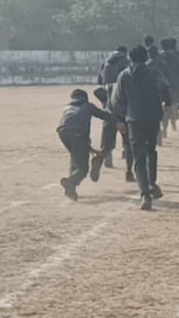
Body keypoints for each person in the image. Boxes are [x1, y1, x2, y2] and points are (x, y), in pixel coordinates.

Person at [110, 45, 172, 211]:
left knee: (138, 156)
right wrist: (167, 103)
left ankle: (145, 194)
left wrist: (120, 118)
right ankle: (152, 182)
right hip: (153, 117)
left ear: (130, 58)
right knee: (151, 149)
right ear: (146, 58)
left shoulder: (124, 75)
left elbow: (117, 101)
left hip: (134, 118)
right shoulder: (154, 72)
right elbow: (164, 87)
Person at [56, 88, 117, 202]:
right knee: (83, 168)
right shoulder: (88, 106)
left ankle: (71, 189)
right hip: (78, 132)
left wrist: (91, 149)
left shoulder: (68, 107)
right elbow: (103, 115)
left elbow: (76, 135)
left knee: (75, 158)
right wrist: (118, 121)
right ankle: (71, 182)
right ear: (85, 98)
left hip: (62, 133)